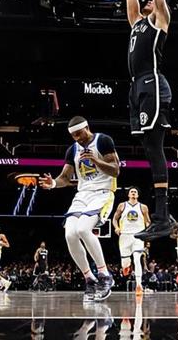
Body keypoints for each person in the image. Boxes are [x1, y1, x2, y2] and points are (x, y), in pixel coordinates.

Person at [125, 0, 174, 241]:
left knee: (154, 145)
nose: (147, 1)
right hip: (137, 87)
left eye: (151, 0)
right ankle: (162, 215)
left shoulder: (160, 19)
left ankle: (162, 217)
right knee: (148, 146)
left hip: (153, 83)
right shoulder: (136, 22)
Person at [39, 116, 120, 301]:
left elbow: (115, 170)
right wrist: (53, 183)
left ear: (87, 128)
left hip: (103, 192)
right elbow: (65, 178)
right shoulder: (73, 150)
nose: (77, 138)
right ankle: (90, 279)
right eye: (73, 135)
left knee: (83, 229)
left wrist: (95, 160)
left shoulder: (103, 140)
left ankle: (105, 275)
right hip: (82, 194)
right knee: (70, 234)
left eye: (79, 134)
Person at [112, 186, 151, 295]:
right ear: (128, 194)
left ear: (137, 195)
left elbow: (148, 222)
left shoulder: (143, 207)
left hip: (138, 236)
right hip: (125, 235)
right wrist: (116, 228)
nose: (133, 193)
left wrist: (147, 232)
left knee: (137, 259)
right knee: (125, 262)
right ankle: (126, 266)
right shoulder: (122, 205)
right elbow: (114, 219)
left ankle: (139, 285)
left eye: (135, 192)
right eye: (131, 192)